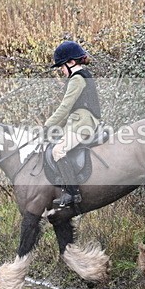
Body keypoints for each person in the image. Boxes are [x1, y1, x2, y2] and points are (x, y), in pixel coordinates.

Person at [45, 40, 101, 208]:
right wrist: (54, 127)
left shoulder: (77, 79)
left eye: (61, 66)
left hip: (83, 122)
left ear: (71, 62)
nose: (61, 71)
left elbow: (65, 107)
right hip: (80, 120)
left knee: (58, 149)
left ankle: (72, 193)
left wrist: (47, 125)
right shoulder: (84, 75)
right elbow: (68, 112)